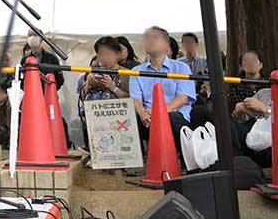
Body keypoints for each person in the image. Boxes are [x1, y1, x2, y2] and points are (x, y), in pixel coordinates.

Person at [129, 26, 194, 157]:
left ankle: (187, 160)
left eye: (155, 38)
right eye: (147, 38)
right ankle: (136, 161)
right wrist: (142, 114)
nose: (150, 41)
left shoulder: (181, 68)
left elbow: (183, 98)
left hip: (174, 116)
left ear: (167, 45)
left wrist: (159, 112)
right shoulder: (136, 71)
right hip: (147, 118)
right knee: (129, 118)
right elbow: (136, 99)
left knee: (171, 119)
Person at [230, 58, 278, 167]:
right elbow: (242, 118)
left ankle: (242, 165)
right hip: (251, 134)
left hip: (276, 143)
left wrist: (265, 109)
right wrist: (239, 110)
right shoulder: (264, 93)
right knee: (222, 120)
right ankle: (235, 164)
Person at [78, 37, 130, 143]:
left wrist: (112, 87)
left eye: (108, 54)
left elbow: (133, 100)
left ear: (117, 54)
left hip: (120, 123)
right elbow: (82, 98)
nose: (105, 58)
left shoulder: (127, 74)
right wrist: (88, 84)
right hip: (96, 123)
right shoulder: (92, 73)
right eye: (101, 54)